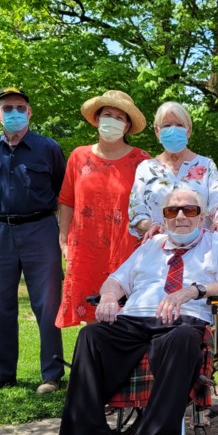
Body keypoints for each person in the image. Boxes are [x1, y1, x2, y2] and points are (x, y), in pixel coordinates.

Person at [39, 188, 218, 435]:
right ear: (164, 217)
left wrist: (193, 291)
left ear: (203, 216)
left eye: (190, 210)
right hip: (134, 320)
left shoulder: (216, 242)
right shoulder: (150, 245)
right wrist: (109, 298)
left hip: (182, 320)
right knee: (92, 336)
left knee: (184, 339)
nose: (181, 216)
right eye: (173, 211)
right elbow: (115, 281)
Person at [0, 87, 67, 395]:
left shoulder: (48, 148)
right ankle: (1, 374)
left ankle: (51, 375)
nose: (14, 112)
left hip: (40, 230)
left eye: (20, 107)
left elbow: (62, 191)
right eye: (7, 107)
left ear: (29, 112)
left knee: (47, 303)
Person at [55, 90, 151, 328]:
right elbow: (67, 201)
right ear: (97, 119)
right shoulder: (78, 157)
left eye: (120, 118)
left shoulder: (142, 161)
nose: (113, 121)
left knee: (129, 318)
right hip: (86, 251)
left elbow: (152, 206)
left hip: (128, 250)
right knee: (92, 319)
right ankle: (95, 364)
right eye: (108, 114)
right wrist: (64, 241)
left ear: (128, 126)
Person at [127, 101, 218, 241]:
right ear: (157, 132)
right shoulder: (145, 168)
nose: (173, 129)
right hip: (158, 248)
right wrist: (151, 225)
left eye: (179, 125)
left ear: (188, 131)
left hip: (201, 251)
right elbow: (136, 211)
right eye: (167, 125)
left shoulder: (206, 165)